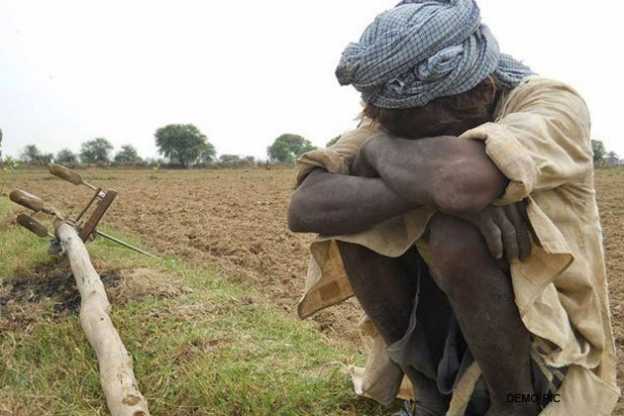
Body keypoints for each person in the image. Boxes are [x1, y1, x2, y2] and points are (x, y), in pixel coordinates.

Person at [287, 1, 620, 415]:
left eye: (436, 138)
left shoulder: (550, 105)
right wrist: (385, 153)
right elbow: (306, 206)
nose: (420, 148)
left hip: (548, 350)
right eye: (394, 136)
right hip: (451, 326)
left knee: (457, 235)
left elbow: (459, 182)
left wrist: (397, 166)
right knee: (354, 225)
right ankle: (429, 398)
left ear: (480, 92)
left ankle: (512, 408)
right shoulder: (390, 128)